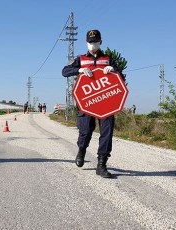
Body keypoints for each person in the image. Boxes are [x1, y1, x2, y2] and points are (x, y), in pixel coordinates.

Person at [62, 29, 119, 178]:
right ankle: (82, 150)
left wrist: (113, 70)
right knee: (85, 131)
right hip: (87, 102)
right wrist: (79, 70)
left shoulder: (108, 59)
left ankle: (101, 165)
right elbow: (65, 71)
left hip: (106, 103)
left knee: (107, 132)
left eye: (95, 42)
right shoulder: (80, 59)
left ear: (101, 42)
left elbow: (120, 78)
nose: (92, 44)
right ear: (86, 43)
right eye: (90, 42)